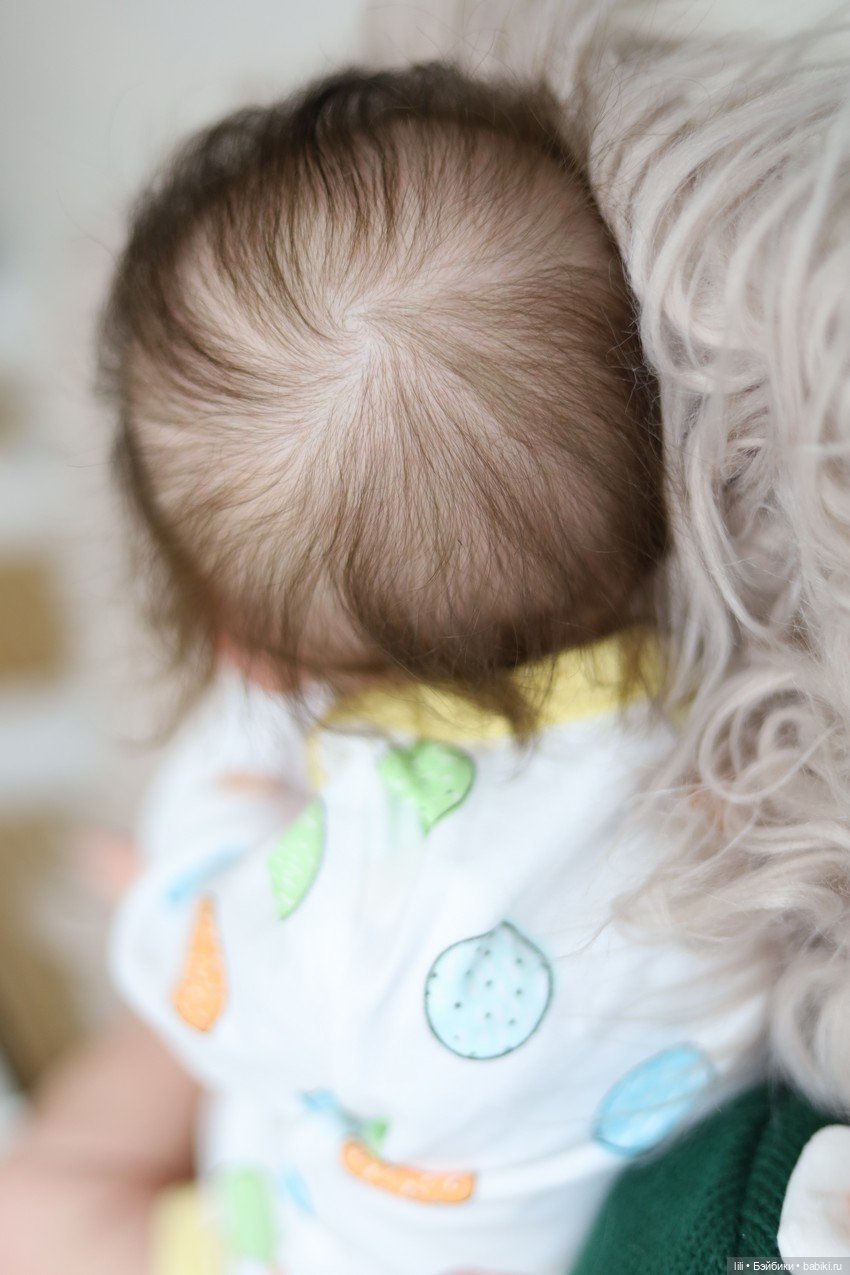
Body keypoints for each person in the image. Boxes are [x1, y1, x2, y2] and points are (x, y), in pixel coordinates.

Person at [0, 61, 772, 1275]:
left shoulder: (344, 905)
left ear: (244, 647)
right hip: (531, 1200)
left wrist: (178, 871)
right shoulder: (713, 730)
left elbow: (195, 978)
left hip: (317, 1239)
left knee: (33, 1215)